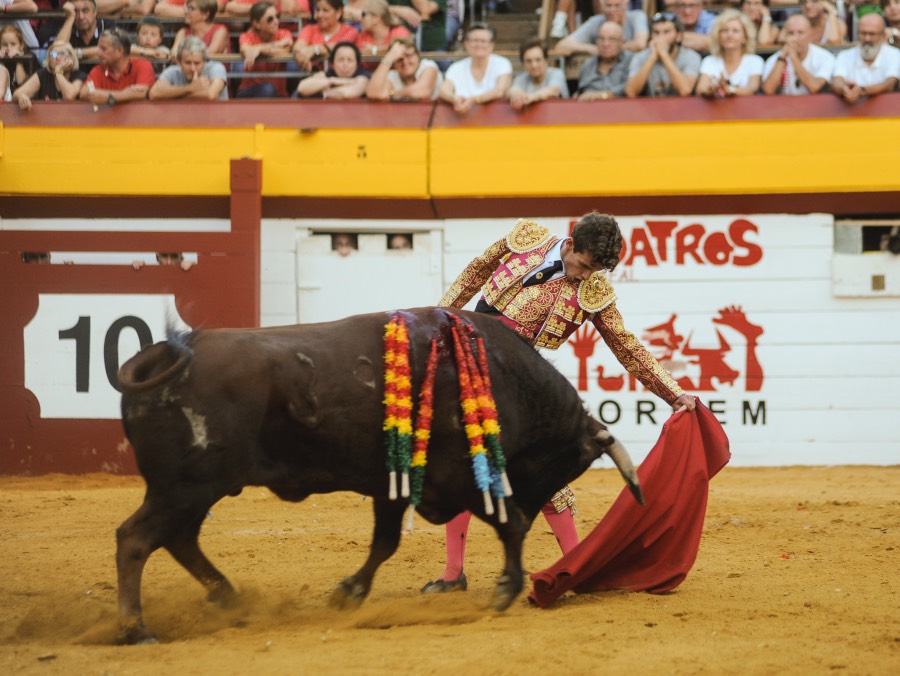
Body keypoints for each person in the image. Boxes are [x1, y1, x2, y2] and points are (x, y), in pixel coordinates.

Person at [420, 213, 697, 594]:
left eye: (595, 270)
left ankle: (577, 567)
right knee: (464, 461)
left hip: (517, 380)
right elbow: (474, 272)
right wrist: (439, 320)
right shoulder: (525, 237)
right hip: (468, 362)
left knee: (543, 471)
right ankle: (453, 574)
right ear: (569, 244)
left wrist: (673, 391)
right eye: (584, 265)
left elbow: (627, 346)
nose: (586, 276)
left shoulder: (594, 291)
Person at [439, 22, 512, 113]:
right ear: (466, 44)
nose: (479, 44)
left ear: (492, 45)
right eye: (475, 41)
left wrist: (474, 100)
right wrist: (454, 99)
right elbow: (443, 91)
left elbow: (500, 91)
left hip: (496, 118)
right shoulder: (456, 67)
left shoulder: (502, 63)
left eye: (483, 41)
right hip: (462, 117)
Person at [625, 12, 700, 97]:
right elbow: (631, 92)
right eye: (656, 32)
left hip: (680, 108)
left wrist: (664, 55)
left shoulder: (691, 57)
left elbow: (685, 90)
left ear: (678, 36)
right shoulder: (640, 57)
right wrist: (652, 57)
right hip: (650, 108)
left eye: (666, 32)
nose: (661, 37)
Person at [831, 12, 899, 103]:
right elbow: (836, 82)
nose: (867, 38)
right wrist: (844, 89)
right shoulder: (845, 55)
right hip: (851, 113)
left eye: (872, 34)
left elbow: (890, 84)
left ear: (882, 35)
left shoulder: (894, 54)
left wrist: (862, 91)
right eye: (863, 33)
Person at [762, 13, 834, 95]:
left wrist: (794, 57)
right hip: (784, 106)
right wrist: (782, 58)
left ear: (810, 34)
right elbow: (768, 90)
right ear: (784, 36)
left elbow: (814, 87)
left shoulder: (825, 57)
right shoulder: (775, 59)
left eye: (800, 32)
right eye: (791, 33)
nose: (795, 38)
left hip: (815, 106)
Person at [696, 9, 763, 97]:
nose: (729, 35)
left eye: (735, 31)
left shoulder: (755, 61)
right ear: (718, 36)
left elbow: (752, 90)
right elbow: (700, 89)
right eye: (725, 30)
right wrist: (711, 89)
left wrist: (728, 89)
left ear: (745, 37)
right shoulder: (709, 61)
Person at [79, 28, 155, 105]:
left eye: (103, 49)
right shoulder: (98, 70)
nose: (98, 53)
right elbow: (84, 93)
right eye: (99, 48)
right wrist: (126, 93)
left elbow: (141, 93)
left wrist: (110, 97)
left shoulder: (142, 65)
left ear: (119, 50)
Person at [238, 1, 294, 98]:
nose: (276, 21)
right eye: (270, 19)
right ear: (257, 24)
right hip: (250, 92)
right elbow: (245, 49)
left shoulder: (284, 33)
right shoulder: (247, 36)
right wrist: (275, 46)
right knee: (268, 89)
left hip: (279, 94)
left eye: (277, 16)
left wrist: (259, 49)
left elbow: (287, 46)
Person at [555, 0, 649, 55]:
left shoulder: (637, 16)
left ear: (626, 6)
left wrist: (609, 49)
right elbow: (562, 45)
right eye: (608, 6)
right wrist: (593, 49)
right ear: (602, 7)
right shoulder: (596, 21)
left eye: (617, 6)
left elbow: (640, 44)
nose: (612, 10)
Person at [12, 40, 85, 109]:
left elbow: (69, 96)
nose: (58, 57)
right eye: (54, 54)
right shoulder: (42, 74)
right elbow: (16, 94)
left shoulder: (79, 75)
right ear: (49, 60)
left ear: (71, 58)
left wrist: (58, 72)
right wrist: (21, 96)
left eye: (62, 53)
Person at [149, 35, 228, 99]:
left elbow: (210, 95)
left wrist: (171, 95)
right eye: (188, 63)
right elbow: (153, 93)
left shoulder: (216, 68)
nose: (192, 68)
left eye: (197, 63)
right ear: (179, 62)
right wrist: (191, 88)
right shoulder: (171, 72)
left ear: (204, 61)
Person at [365, 36, 442, 100]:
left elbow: (422, 91)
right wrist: (389, 57)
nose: (405, 62)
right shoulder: (393, 75)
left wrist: (393, 94)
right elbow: (373, 93)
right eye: (399, 59)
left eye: (409, 56)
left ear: (418, 56)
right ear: (394, 63)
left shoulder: (428, 66)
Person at [293, 0, 359, 71]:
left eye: (325, 10)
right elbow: (298, 47)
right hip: (312, 76)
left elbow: (338, 47)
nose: (319, 15)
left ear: (338, 13)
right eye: (318, 10)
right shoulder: (309, 29)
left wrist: (315, 49)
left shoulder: (350, 31)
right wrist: (302, 58)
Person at [575, 20, 632, 100]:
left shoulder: (632, 62)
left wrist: (604, 95)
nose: (605, 44)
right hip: (591, 109)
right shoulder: (587, 66)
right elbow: (580, 92)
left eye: (612, 39)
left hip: (623, 109)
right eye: (601, 39)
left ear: (622, 42)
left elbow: (631, 88)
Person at [507, 38, 569, 110]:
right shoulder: (521, 78)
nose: (534, 65)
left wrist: (531, 98)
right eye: (528, 61)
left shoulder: (556, 73)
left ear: (546, 60)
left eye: (538, 60)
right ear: (523, 63)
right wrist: (515, 94)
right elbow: (513, 90)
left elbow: (554, 90)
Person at [296, 40, 369, 97]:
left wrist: (325, 93)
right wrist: (332, 81)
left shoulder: (363, 76)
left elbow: (347, 94)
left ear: (357, 64)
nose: (345, 64)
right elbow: (302, 88)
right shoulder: (329, 74)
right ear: (332, 64)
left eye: (350, 60)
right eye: (340, 60)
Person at [0, 25, 37, 91]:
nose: (9, 48)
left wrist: (19, 61)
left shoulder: (29, 57)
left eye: (13, 44)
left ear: (21, 45)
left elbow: (21, 83)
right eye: (5, 45)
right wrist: (1, 62)